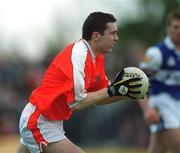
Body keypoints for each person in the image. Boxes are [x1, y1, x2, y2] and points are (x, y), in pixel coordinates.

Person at [17, 12, 142, 153]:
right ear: (95, 36)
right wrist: (114, 89)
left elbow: (101, 96)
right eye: (112, 33)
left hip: (49, 121)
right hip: (39, 120)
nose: (116, 38)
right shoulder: (78, 54)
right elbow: (77, 102)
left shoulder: (97, 58)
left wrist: (127, 92)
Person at [139, 9, 180, 153]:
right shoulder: (156, 53)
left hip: (177, 103)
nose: (179, 31)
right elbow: (139, 83)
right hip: (161, 104)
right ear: (168, 28)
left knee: (157, 149)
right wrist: (147, 109)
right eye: (176, 27)